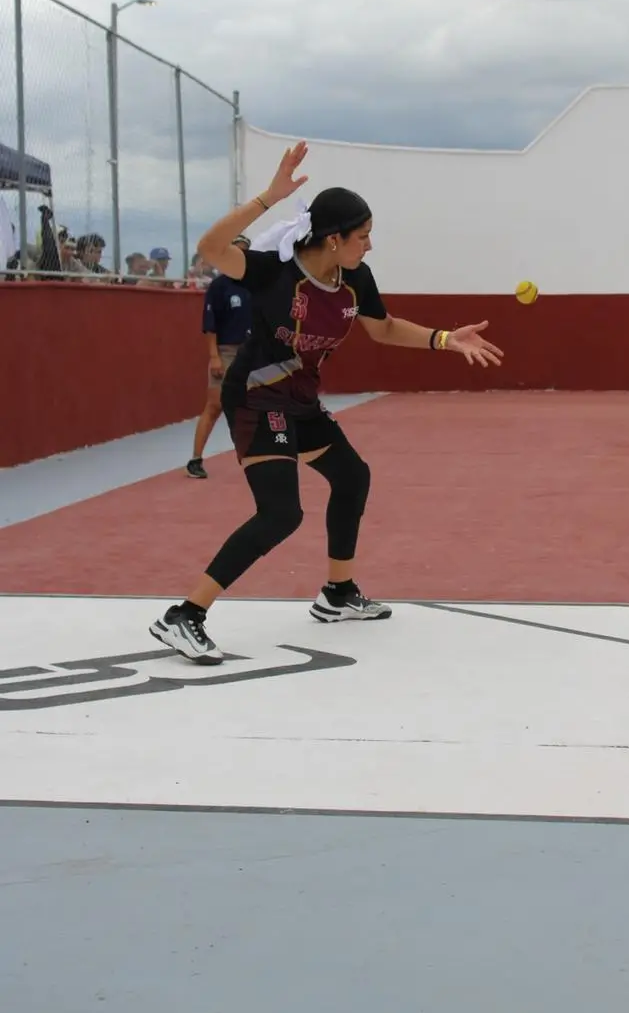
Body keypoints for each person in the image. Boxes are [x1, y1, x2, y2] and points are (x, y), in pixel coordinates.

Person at [150, 142, 503, 664]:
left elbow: (383, 329)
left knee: (352, 476)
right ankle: (184, 615)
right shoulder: (272, 270)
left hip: (298, 398)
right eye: (363, 237)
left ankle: (338, 594)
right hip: (254, 396)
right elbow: (209, 247)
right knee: (280, 514)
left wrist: (446, 339)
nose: (370, 245)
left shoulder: (354, 278)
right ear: (334, 239)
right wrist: (269, 197)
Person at [186, 236, 253, 478]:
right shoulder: (219, 286)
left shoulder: (255, 284)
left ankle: (256, 458)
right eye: (235, 251)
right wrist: (214, 357)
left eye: (244, 252)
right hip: (226, 352)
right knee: (215, 406)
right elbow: (210, 326)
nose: (240, 256)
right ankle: (195, 460)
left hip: (252, 352)